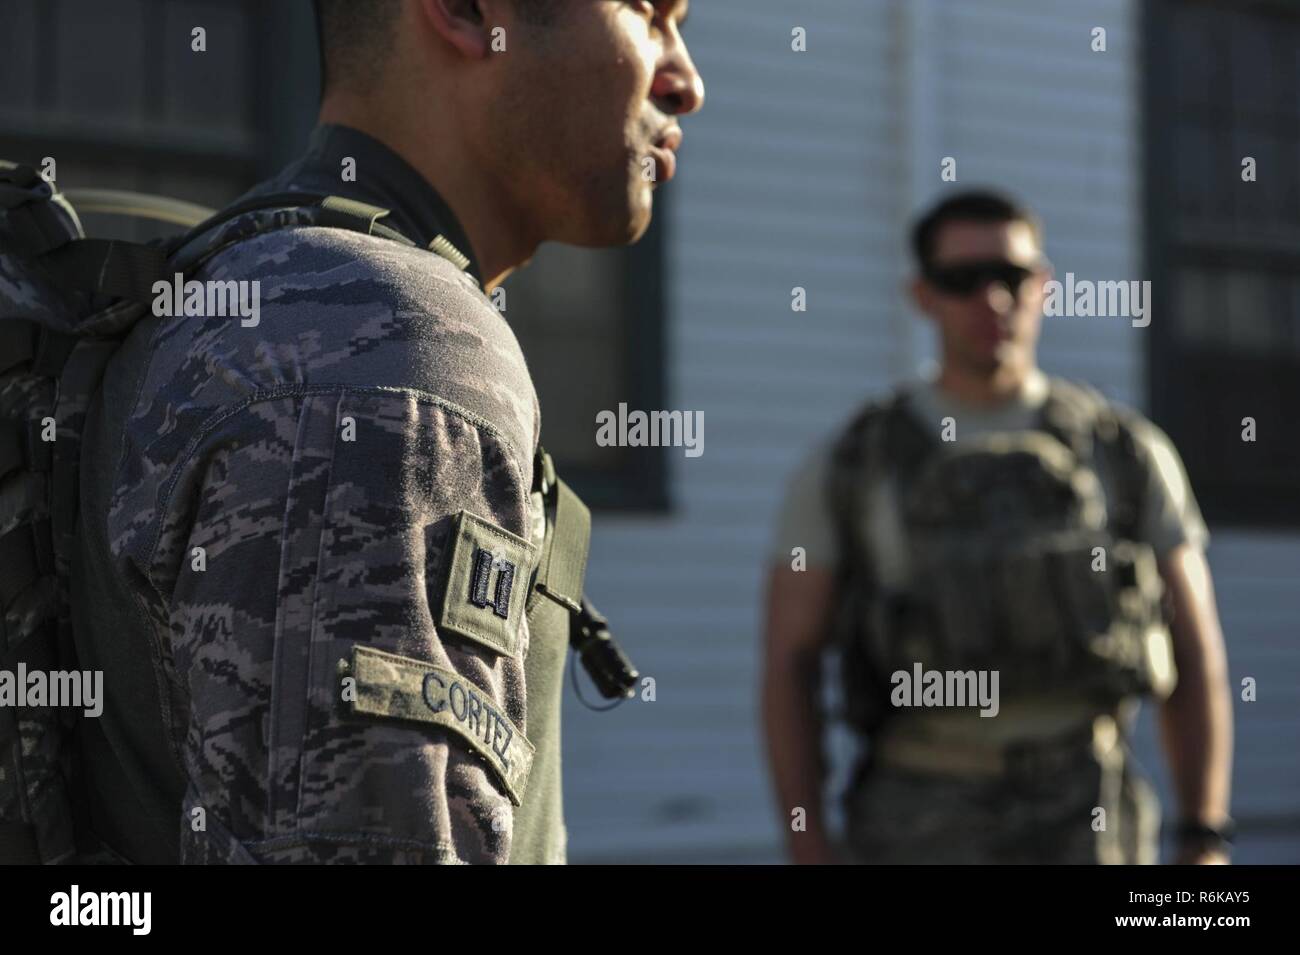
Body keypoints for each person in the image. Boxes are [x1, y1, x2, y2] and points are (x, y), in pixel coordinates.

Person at [69, 0, 702, 864]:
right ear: (468, 12)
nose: (686, 81)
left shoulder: (260, 277)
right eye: (648, 12)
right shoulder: (385, 337)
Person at [761, 191, 1234, 865]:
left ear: (1043, 285)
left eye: (1012, 277)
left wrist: (1204, 835)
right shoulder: (855, 463)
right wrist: (808, 846)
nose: (992, 300)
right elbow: (789, 664)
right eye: (963, 280)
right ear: (923, 296)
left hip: (1090, 810)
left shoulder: (1123, 453)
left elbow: (1197, 652)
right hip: (918, 816)